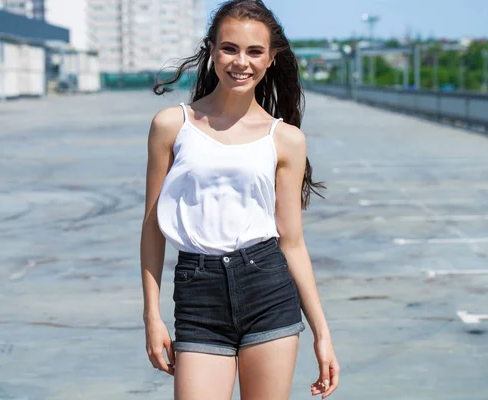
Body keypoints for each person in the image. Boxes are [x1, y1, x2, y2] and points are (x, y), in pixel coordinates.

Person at [140, 1, 339, 398]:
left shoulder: (285, 139)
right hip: (199, 294)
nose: (240, 62)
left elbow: (293, 242)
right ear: (211, 50)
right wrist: (152, 314)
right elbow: (152, 228)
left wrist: (322, 333)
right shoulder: (171, 126)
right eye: (229, 48)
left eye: (254, 51)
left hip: (268, 288)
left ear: (270, 58)